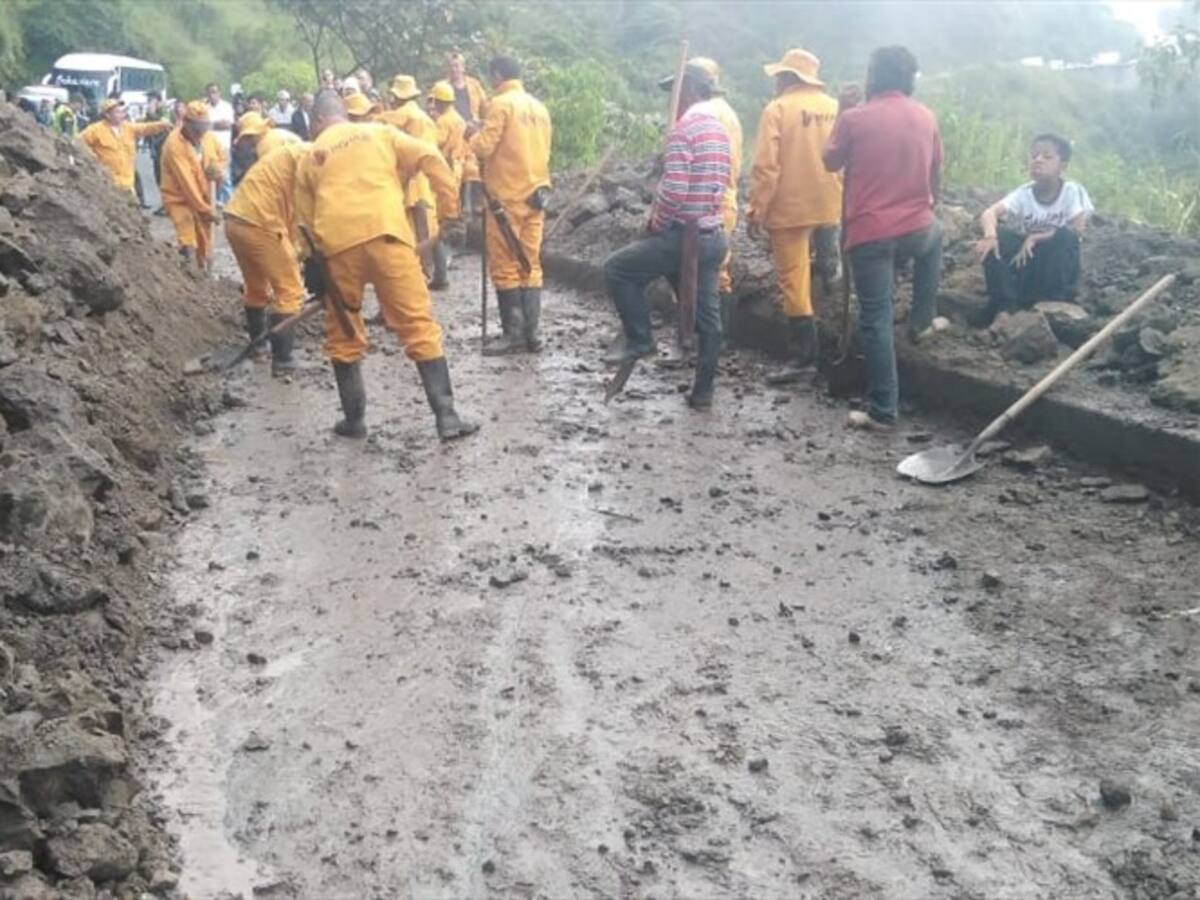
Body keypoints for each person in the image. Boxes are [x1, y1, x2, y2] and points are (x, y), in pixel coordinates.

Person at [294, 89, 478, 442]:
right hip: (389, 237)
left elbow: (302, 222)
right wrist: (450, 210)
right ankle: (447, 416)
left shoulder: (310, 155)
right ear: (345, 114)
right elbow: (432, 159)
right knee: (418, 325)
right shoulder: (380, 132)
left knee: (344, 334)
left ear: (317, 121)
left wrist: (312, 261)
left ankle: (355, 420)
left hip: (338, 249)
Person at [823, 46, 946, 431]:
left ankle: (882, 410)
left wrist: (842, 110)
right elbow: (936, 173)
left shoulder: (856, 119)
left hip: (871, 235)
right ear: (909, 79)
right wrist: (927, 208)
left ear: (872, 76)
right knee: (937, 235)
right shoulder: (926, 116)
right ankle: (923, 321)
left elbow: (830, 162)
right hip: (917, 227)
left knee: (876, 318)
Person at [602, 63, 730, 410]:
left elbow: (674, 191)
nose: (669, 102)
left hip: (683, 237)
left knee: (617, 269)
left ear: (686, 91)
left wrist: (657, 223)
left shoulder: (684, 130)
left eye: (672, 94)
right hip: (713, 234)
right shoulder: (719, 130)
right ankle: (703, 391)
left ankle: (641, 338)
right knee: (708, 319)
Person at [748, 48, 843, 384]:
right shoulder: (835, 108)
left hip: (790, 207)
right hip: (829, 202)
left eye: (779, 75)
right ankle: (831, 277)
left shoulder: (778, 109)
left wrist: (756, 210)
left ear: (789, 78)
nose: (776, 81)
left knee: (794, 279)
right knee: (824, 251)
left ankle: (805, 356)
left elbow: (766, 168)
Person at [467, 55, 552, 355]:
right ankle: (533, 335)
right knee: (530, 264)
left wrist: (471, 135)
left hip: (507, 197)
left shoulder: (501, 104)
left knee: (504, 266)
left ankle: (513, 334)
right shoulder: (539, 108)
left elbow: (484, 146)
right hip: (537, 195)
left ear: (496, 76)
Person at [975, 133, 1093, 325]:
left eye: (1047, 157)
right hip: (1028, 265)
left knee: (1064, 236)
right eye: (1034, 155)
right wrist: (990, 236)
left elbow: (1077, 229)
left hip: (1057, 270)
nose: (1038, 160)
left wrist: (1036, 237)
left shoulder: (1071, 191)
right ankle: (1005, 307)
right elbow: (989, 214)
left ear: (1062, 166)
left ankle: (1052, 307)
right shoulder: (1024, 193)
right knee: (1000, 237)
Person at [225, 136, 309, 375]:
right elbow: (307, 214)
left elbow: (294, 218)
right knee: (290, 289)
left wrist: (300, 253)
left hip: (235, 220)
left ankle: (258, 347)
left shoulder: (284, 160)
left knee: (256, 286)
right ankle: (283, 360)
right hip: (260, 224)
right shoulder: (312, 159)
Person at [688, 58, 743, 344]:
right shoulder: (728, 113)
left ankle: (709, 340)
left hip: (710, 197)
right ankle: (713, 340)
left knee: (703, 271)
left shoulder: (704, 114)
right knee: (717, 269)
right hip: (724, 195)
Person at [377, 76, 441, 279]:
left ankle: (418, 273)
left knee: (412, 229)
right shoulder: (426, 119)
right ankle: (433, 272)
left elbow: (379, 125)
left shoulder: (402, 115)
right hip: (426, 178)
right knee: (430, 228)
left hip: (409, 179)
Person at [160, 101, 217, 268]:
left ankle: (202, 272)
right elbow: (187, 184)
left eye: (204, 127)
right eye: (198, 128)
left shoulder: (208, 138)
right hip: (179, 199)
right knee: (187, 237)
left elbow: (221, 156)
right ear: (187, 124)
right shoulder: (174, 145)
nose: (201, 133)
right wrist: (206, 210)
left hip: (203, 197)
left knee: (204, 239)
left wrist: (217, 169)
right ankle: (188, 269)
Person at [79, 98, 172, 194]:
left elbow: (145, 128)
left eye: (122, 112)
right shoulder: (95, 130)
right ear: (107, 115)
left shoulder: (128, 128)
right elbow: (78, 142)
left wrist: (162, 125)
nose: (122, 115)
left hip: (128, 185)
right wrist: (91, 159)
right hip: (107, 185)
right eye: (117, 112)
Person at [429, 80, 467, 289]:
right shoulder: (459, 119)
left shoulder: (443, 122)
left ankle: (440, 274)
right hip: (457, 172)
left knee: (437, 223)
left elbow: (433, 145)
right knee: (448, 221)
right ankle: (442, 269)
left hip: (444, 172)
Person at [447, 52, 488, 215]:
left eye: (457, 65)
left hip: (473, 135)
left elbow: (486, 108)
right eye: (451, 66)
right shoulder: (442, 87)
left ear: (463, 67)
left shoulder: (474, 85)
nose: (454, 69)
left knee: (475, 170)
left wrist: (482, 123)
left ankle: (479, 206)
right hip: (453, 135)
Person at [205, 83, 235, 207]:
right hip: (209, 147)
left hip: (223, 146)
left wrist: (210, 125)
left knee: (225, 176)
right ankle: (215, 202)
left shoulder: (226, 107)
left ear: (219, 93)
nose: (212, 95)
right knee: (211, 176)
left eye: (215, 92)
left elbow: (227, 125)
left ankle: (230, 204)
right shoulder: (205, 108)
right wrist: (216, 124)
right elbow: (202, 126)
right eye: (210, 92)